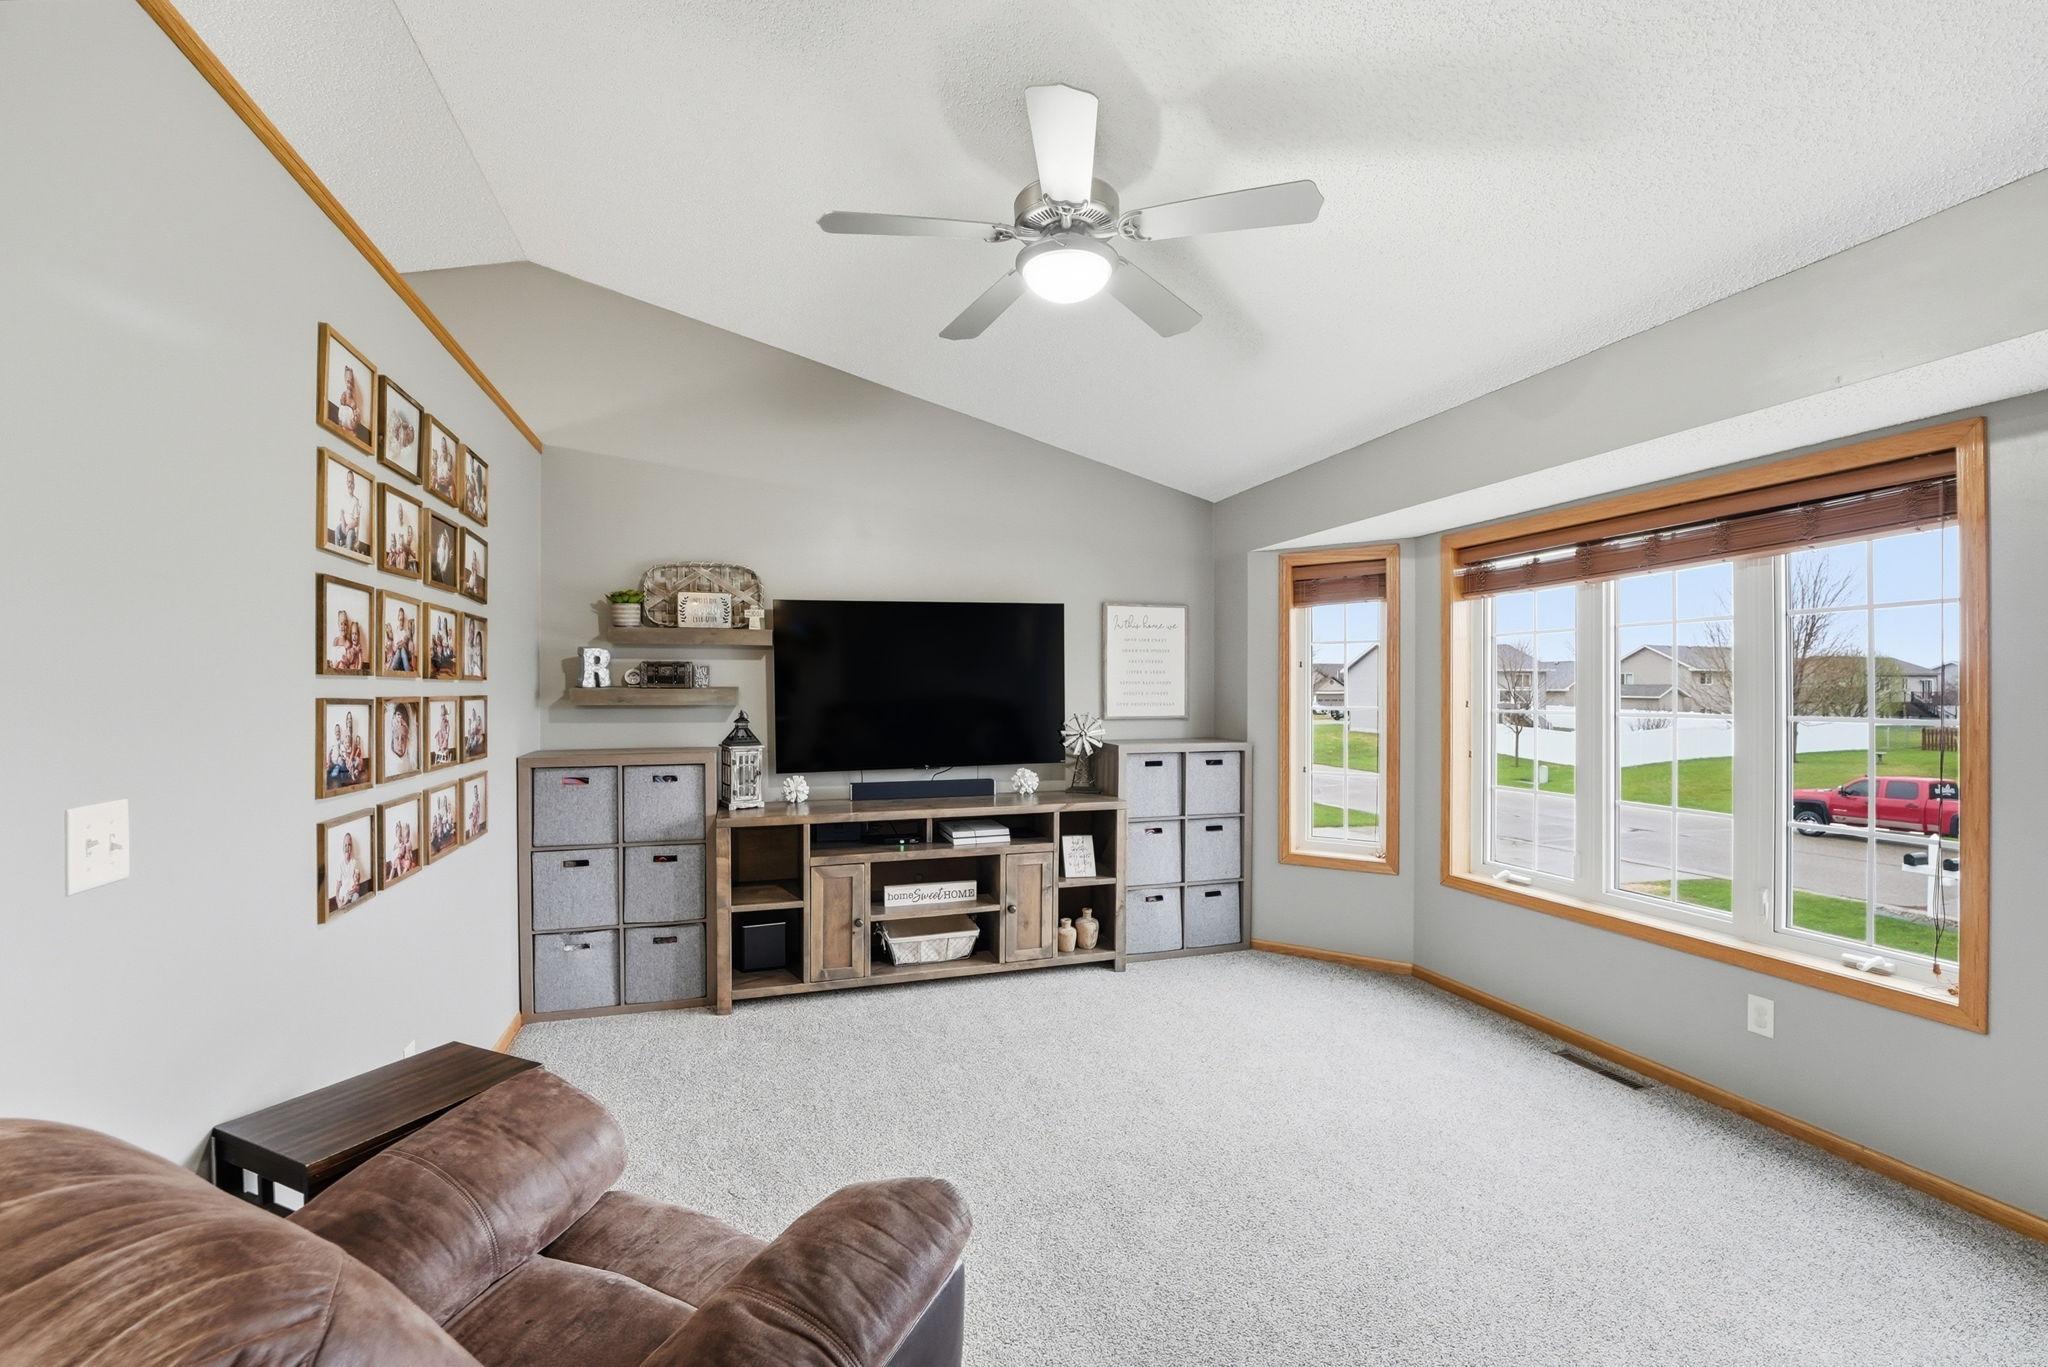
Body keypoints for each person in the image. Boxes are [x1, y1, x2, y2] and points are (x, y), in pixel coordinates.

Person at [330, 831, 368, 910]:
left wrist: (354, 890)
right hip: (343, 896)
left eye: (349, 845)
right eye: (346, 845)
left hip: (352, 895)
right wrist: (339, 902)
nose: (348, 847)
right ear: (343, 848)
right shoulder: (340, 865)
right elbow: (337, 890)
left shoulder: (355, 863)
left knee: (356, 896)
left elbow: (357, 886)